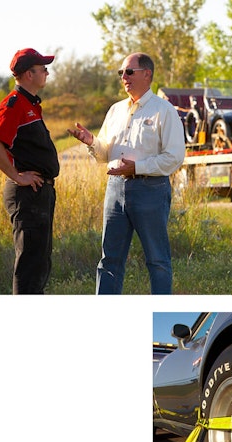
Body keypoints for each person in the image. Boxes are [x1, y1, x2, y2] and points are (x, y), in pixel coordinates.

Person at [68, 53, 185, 294]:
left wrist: (137, 168)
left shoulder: (164, 111)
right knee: (109, 261)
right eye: (121, 72)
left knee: (158, 261)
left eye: (129, 72)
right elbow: (104, 154)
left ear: (147, 74)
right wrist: (92, 142)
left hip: (150, 190)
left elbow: (174, 157)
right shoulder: (115, 110)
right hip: (115, 190)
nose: (124, 77)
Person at [0, 48, 58, 294]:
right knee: (29, 267)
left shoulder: (31, 104)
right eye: (43, 68)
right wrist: (16, 176)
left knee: (39, 262)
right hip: (27, 195)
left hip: (39, 193)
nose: (47, 72)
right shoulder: (14, 104)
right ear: (29, 74)